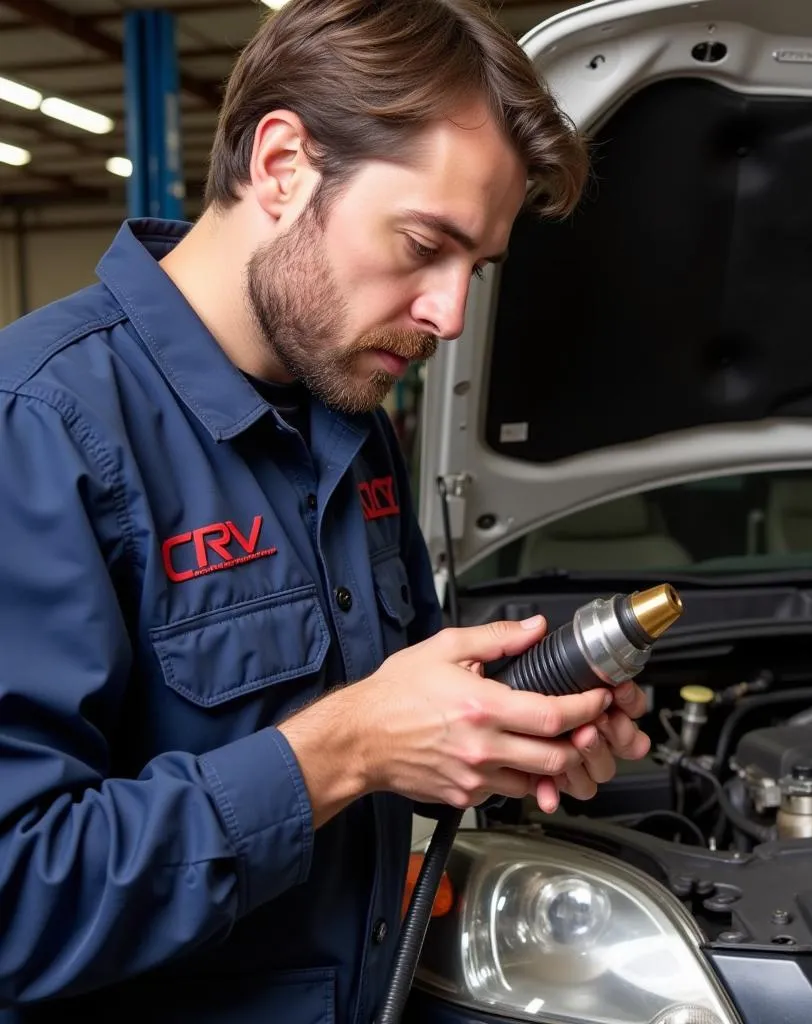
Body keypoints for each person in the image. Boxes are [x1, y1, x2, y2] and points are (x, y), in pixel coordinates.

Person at [0, 1, 653, 1021]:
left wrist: (508, 729)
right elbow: (16, 896)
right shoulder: (38, 427)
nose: (448, 314)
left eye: (473, 268)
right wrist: (339, 750)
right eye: (423, 245)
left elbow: (408, 730)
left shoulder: (352, 421)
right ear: (282, 165)